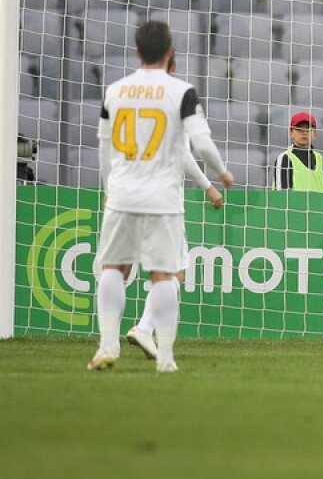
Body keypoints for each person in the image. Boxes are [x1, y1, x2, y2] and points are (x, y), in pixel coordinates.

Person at [88, 21, 233, 374]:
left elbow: (104, 148)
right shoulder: (181, 92)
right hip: (163, 199)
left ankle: (107, 347)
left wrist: (110, 189)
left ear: (137, 51)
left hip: (122, 194)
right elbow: (201, 144)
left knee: (113, 268)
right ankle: (165, 358)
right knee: (165, 275)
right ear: (170, 51)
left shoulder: (115, 91)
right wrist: (221, 173)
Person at [125, 53, 228, 361]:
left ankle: (134, 334)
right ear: (171, 67)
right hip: (163, 197)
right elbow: (183, 155)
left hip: (133, 191)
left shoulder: (131, 97)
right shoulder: (175, 99)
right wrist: (210, 185)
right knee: (173, 272)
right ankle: (143, 329)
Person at [272, 111, 323, 191]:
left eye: (308, 129)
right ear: (290, 133)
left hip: (318, 204)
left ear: (315, 134)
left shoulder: (320, 158)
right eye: (299, 129)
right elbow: (281, 196)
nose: (304, 132)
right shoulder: (285, 158)